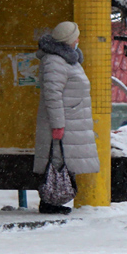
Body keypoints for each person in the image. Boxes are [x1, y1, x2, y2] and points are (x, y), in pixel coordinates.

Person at [33, 21, 98, 214]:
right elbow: (52, 95)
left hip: (73, 120)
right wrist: (58, 125)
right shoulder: (55, 61)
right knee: (56, 161)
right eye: (76, 36)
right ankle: (50, 202)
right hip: (64, 122)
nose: (78, 40)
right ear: (69, 39)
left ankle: (54, 201)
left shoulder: (67, 60)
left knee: (61, 160)